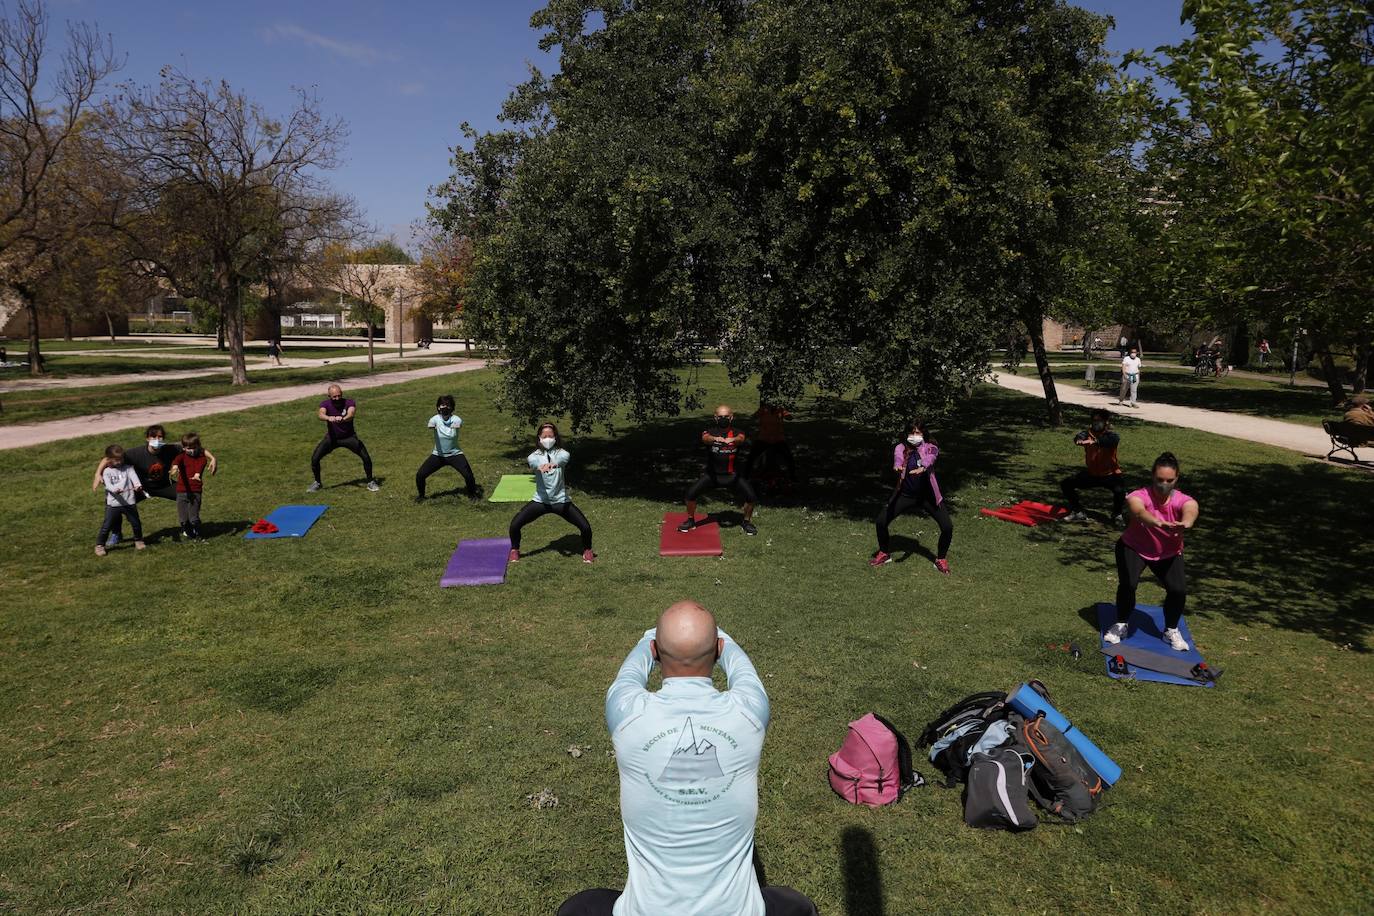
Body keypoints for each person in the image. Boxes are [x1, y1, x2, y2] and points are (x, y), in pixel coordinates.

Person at [558, 601, 817, 916]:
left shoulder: (625, 711)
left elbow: (632, 667)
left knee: (578, 907)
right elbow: (740, 663)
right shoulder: (750, 710)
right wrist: (716, 639)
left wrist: (651, 638)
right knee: (795, 904)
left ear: (655, 650)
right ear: (718, 649)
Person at [1105, 452, 1199, 652]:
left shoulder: (1182, 499)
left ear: (1177, 479)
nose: (1163, 484)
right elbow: (1138, 511)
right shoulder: (1139, 495)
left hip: (1168, 552)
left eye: (1169, 480)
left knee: (1178, 590)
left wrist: (1186, 523)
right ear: (1152, 477)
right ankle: (1122, 623)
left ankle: (1171, 629)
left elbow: (1191, 508)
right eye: (1159, 480)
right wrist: (1158, 522)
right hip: (1134, 547)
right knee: (1128, 584)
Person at [93, 424, 218, 545]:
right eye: (153, 437)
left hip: (164, 486)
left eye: (160, 437)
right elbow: (107, 458)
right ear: (147, 438)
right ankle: (116, 533)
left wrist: (212, 458)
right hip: (141, 488)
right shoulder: (135, 453)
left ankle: (190, 526)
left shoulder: (171, 449)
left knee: (189, 494)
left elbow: (196, 447)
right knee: (115, 502)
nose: (157, 440)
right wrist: (98, 474)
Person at [870, 421, 954, 574]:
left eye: (918, 433)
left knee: (947, 527)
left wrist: (923, 467)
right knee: (881, 521)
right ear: (907, 434)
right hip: (905, 495)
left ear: (923, 434)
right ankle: (884, 553)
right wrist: (897, 465)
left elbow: (931, 458)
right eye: (912, 433)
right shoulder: (901, 447)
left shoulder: (930, 446)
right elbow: (897, 457)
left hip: (928, 497)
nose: (915, 436)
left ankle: (941, 559)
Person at [507, 423, 595, 564]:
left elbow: (564, 458)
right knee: (515, 524)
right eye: (544, 436)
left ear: (555, 437)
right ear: (539, 438)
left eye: (550, 436)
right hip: (541, 501)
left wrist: (553, 464)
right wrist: (539, 466)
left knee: (585, 527)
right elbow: (533, 462)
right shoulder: (534, 456)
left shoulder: (561, 453)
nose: (547, 438)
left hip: (561, 501)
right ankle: (514, 550)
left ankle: (587, 550)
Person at [678, 405, 758, 536]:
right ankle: (691, 521)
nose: (723, 419)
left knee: (752, 497)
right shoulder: (710, 432)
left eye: (726, 416)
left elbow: (741, 439)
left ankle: (746, 522)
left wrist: (732, 440)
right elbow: (705, 439)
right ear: (715, 418)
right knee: (690, 495)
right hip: (712, 476)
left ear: (731, 417)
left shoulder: (738, 432)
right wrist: (716, 439)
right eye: (720, 417)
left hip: (732, 476)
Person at [308, 383, 379, 492]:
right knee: (315, 459)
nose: (337, 398)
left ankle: (370, 482)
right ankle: (317, 483)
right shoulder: (325, 404)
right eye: (334, 397)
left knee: (366, 457)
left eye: (339, 395)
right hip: (332, 438)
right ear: (329, 396)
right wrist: (329, 417)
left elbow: (351, 414)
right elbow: (321, 414)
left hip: (349, 437)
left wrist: (343, 418)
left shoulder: (349, 402)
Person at [1060, 409, 1125, 524]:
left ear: (1106, 422)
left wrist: (1095, 442)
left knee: (1120, 491)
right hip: (1092, 474)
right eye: (1094, 420)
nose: (1096, 423)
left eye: (1100, 420)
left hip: (1110, 474)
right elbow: (1078, 437)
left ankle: (1117, 515)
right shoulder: (1087, 433)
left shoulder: (1111, 435)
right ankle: (1078, 512)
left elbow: (1111, 441)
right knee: (1066, 483)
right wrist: (1078, 439)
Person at [415, 394, 479, 501]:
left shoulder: (456, 419)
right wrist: (434, 425)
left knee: (468, 476)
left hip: (455, 454)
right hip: (438, 455)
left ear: (452, 408)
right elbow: (430, 425)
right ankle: (421, 496)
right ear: (438, 407)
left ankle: (472, 495)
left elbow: (455, 427)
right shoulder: (435, 418)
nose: (445, 407)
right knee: (420, 475)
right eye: (442, 405)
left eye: (447, 405)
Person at [94, 444, 145, 556]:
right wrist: (114, 490)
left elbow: (134, 478)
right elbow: (108, 485)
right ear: (109, 460)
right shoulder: (107, 472)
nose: (119, 462)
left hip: (129, 502)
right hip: (113, 505)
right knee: (107, 526)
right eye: (116, 460)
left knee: (135, 523)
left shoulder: (128, 468)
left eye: (121, 459)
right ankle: (100, 545)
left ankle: (138, 540)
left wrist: (137, 485)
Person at [169, 432, 210, 540]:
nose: (191, 450)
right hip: (181, 491)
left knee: (193, 517)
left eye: (193, 447)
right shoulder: (181, 456)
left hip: (195, 491)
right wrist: (174, 468)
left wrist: (197, 475)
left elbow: (199, 467)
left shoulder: (201, 458)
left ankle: (198, 533)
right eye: (188, 448)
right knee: (183, 518)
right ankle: (188, 531)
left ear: (198, 446)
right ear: (183, 448)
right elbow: (176, 462)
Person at [744, 402, 795, 484]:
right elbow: (753, 417)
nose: (772, 405)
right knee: (752, 456)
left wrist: (784, 413)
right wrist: (760, 413)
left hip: (778, 439)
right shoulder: (763, 410)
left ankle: (793, 478)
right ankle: (746, 476)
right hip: (764, 438)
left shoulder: (780, 410)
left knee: (789, 457)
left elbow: (790, 417)